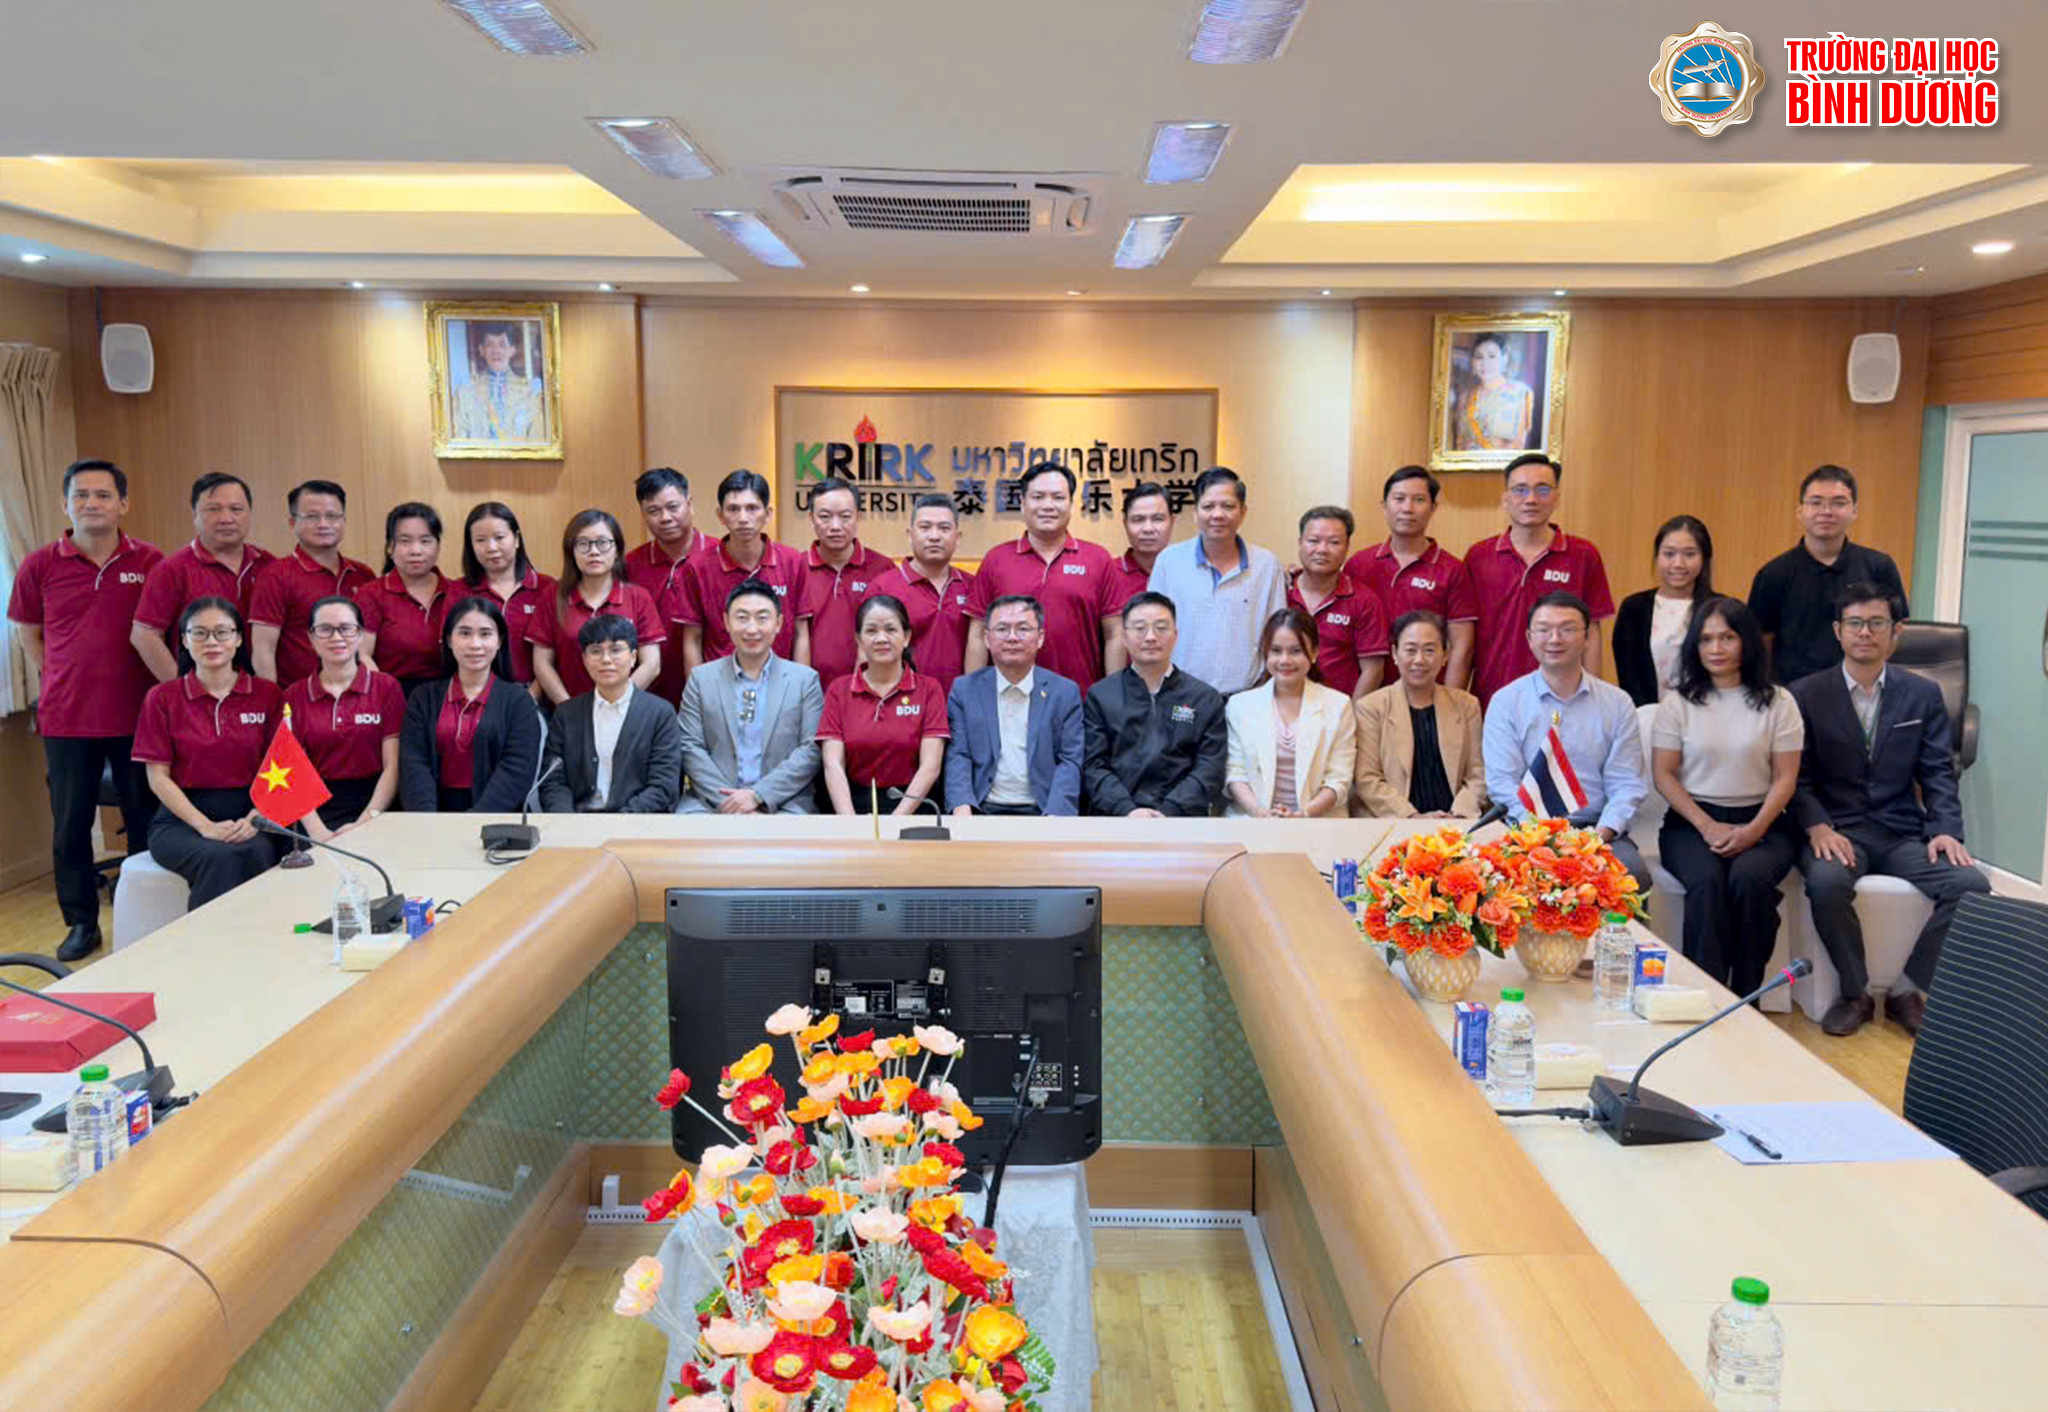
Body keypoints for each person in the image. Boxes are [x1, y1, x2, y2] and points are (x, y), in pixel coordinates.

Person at [1789, 583, 1988, 1037]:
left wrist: (1945, 829)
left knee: (1971, 886)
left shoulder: (1922, 694)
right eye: (1855, 623)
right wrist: (1817, 825)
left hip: (1900, 832)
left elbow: (1938, 771)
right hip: (1838, 831)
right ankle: (1855, 993)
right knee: (1827, 883)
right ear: (1838, 631)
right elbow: (1795, 778)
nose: (1866, 632)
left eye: (1877, 623)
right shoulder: (1805, 694)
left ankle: (1906, 991)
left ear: (1895, 632)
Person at [8, 458, 162, 961]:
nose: (91, 504)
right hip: (67, 719)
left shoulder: (151, 561)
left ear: (123, 504)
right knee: (70, 826)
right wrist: (63, 675)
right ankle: (81, 923)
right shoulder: (39, 565)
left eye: (102, 495)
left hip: (139, 717)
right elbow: (29, 634)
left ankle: (146, 915)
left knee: (145, 818)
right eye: (81, 495)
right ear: (65, 504)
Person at [1649, 597, 1804, 995]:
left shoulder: (1779, 702)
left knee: (1749, 881)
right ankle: (1706, 996)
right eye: (1706, 639)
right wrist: (1706, 826)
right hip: (1690, 824)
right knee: (1706, 883)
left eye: (1727, 638)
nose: (1716, 648)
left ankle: (1747, 997)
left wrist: (1753, 830)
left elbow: (1786, 777)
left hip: (1765, 823)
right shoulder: (1678, 702)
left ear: (1746, 641)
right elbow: (1664, 774)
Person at [1482, 592, 1651, 892]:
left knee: (1633, 876)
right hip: (1527, 831)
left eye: (1567, 629)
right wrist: (1543, 838)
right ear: (1529, 638)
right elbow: (1502, 782)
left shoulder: (1617, 703)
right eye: (1544, 629)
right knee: (1498, 880)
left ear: (1587, 637)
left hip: (1596, 830)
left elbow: (1626, 784)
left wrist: (1597, 838)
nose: (1555, 638)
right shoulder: (1506, 701)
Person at [130, 597, 287, 909]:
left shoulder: (267, 695)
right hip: (182, 819)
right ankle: (207, 940)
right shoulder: (162, 698)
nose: (211, 641)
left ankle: (259, 935)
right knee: (219, 857)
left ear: (238, 639)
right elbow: (158, 778)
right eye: (199, 633)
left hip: (252, 810)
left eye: (222, 632)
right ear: (185, 640)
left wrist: (256, 817)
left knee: (257, 851)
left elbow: (283, 766)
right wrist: (205, 826)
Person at [1463, 454, 1614, 708]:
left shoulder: (1583, 555)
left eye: (1542, 490)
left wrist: (1592, 701)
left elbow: (1593, 634)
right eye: (1520, 490)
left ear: (1557, 498)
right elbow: (1465, 637)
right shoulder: (1478, 557)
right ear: (1505, 498)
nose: (1531, 499)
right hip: (1491, 697)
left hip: (1564, 699)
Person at [964, 463, 1123, 690]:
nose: (1048, 505)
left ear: (1071, 504)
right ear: (1022, 503)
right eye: (1038, 497)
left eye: (1058, 497)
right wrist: (973, 696)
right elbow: (978, 635)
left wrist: (1112, 696)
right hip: (1008, 698)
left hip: (1081, 697)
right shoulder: (996, 559)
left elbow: (1115, 634)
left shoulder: (1098, 559)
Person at [676, 579, 825, 815]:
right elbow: (689, 745)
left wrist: (759, 796)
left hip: (783, 803)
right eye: (742, 618)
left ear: (778, 623)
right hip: (711, 803)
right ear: (726, 622)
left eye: (762, 618)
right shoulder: (701, 679)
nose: (752, 628)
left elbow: (810, 750)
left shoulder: (804, 681)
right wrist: (732, 803)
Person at [1749, 465, 1907, 685]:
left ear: (1854, 511)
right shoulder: (1773, 574)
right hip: (1794, 693)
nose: (1826, 511)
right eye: (1816, 502)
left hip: (1861, 689)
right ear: (1800, 511)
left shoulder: (1879, 566)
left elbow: (1894, 631)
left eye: (1838, 503)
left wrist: (1866, 674)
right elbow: (1762, 641)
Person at [1082, 591, 1227, 818]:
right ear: (1124, 637)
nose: (1150, 637)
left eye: (1161, 628)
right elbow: (1093, 765)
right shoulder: (1100, 696)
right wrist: (1126, 810)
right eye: (1140, 628)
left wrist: (1170, 811)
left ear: (1176, 635)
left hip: (1183, 820)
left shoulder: (1205, 698)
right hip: (1116, 818)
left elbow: (1210, 767)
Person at [1145, 467, 1286, 696]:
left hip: (1246, 696)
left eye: (1228, 506)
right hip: (1181, 694)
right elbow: (1152, 628)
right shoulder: (1169, 561)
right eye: (1208, 506)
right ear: (1195, 512)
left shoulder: (1267, 565)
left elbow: (1277, 634)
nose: (1217, 515)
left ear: (1243, 512)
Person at [398, 597, 544, 813]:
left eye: (485, 634)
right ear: (449, 640)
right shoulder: (423, 698)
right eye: (464, 633)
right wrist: (427, 821)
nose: (475, 644)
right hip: (431, 818)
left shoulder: (519, 701)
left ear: (499, 641)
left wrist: (476, 819)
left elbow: (517, 769)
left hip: (496, 819)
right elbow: (413, 765)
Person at [943, 595, 1083, 817]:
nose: (1012, 637)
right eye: (1002, 629)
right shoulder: (965, 690)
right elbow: (958, 755)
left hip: (1044, 810)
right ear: (987, 638)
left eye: (1023, 629)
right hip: (981, 809)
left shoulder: (1064, 692)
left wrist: (1056, 815)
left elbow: (1070, 761)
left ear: (1040, 638)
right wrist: (962, 806)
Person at [132, 472, 275, 683]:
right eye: (213, 509)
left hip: (257, 692)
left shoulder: (268, 564)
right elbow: (144, 635)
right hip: (200, 692)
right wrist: (180, 689)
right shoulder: (172, 569)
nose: (226, 518)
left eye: (236, 509)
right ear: (194, 515)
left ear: (249, 514)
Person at [281, 595, 403, 839]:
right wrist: (317, 832)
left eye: (346, 628)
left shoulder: (386, 688)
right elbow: (291, 770)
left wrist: (365, 822)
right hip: (313, 809)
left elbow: (393, 766)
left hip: (376, 805)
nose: (336, 637)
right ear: (311, 638)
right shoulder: (293, 695)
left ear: (360, 635)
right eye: (325, 629)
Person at [1346, 466, 1478, 690]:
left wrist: (1451, 702)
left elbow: (1461, 646)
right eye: (1399, 499)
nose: (1407, 508)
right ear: (1384, 506)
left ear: (1433, 508)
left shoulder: (1453, 570)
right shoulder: (1358, 564)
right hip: (1367, 693)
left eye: (1418, 500)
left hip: (1427, 694)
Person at [817, 595, 949, 816]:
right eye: (871, 631)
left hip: (913, 804)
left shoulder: (929, 689)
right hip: (851, 804)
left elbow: (930, 766)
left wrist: (895, 821)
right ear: (858, 640)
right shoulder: (838, 690)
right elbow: (833, 764)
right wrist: (849, 822)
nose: (881, 638)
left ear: (906, 637)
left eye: (890, 629)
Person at [535, 615, 682, 814]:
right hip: (576, 825)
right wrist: (568, 821)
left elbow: (663, 786)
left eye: (616, 650)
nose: (606, 659)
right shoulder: (566, 714)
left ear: (633, 657)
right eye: (596, 651)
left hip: (638, 825)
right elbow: (552, 782)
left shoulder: (660, 714)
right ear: (584, 660)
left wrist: (620, 823)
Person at [1353, 611, 1488, 819]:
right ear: (1395, 654)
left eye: (1429, 650)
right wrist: (1413, 818)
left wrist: (1458, 816)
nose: (1419, 660)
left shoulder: (1466, 705)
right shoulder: (1371, 708)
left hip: (1455, 824)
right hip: (1394, 823)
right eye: (1410, 650)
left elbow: (1478, 774)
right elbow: (1367, 779)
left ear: (1445, 655)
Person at [1223, 608, 1355, 818]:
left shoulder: (1339, 705)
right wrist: (1260, 813)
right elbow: (1235, 773)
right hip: (1251, 819)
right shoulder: (1240, 705)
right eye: (1276, 650)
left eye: (1296, 651)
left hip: (1318, 821)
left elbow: (1339, 779)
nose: (1285, 660)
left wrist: (1303, 814)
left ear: (1314, 653)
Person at [527, 509, 665, 706]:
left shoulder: (638, 597)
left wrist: (615, 703)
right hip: (568, 709)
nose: (594, 551)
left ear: (617, 550)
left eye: (602, 543)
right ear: (571, 551)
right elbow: (542, 664)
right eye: (583, 544)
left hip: (626, 710)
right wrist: (568, 708)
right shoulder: (553, 596)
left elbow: (652, 664)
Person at [678, 470, 813, 670]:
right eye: (733, 509)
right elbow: (692, 639)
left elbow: (801, 633)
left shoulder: (792, 561)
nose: (743, 518)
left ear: (768, 514)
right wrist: (697, 688)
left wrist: (801, 685)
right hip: (720, 682)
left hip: (779, 681)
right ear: (720, 515)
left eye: (752, 508)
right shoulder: (697, 567)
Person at [249, 480, 373, 685]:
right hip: (298, 698)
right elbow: (264, 651)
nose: (323, 524)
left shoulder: (363, 574)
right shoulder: (275, 576)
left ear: (344, 520)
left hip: (358, 695)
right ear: (292, 522)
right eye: (312, 516)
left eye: (332, 516)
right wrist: (272, 701)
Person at [860, 492, 972, 703]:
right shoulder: (883, 586)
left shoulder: (972, 586)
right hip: (903, 706)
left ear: (958, 537)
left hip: (961, 704)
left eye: (944, 528)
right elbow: (865, 654)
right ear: (910, 535)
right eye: (925, 527)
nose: (934, 536)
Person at [627, 467, 712, 707]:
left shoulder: (719, 556)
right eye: (653, 511)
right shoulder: (630, 565)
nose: (665, 517)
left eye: (673, 507)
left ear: (690, 505)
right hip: (648, 696)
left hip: (711, 694)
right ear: (643, 514)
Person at [1286, 505, 1388, 700]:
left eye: (1334, 542)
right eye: (1313, 541)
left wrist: (1350, 715)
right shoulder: (1280, 590)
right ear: (1300, 543)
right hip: (1280, 707)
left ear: (1347, 546)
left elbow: (1373, 671)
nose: (1322, 550)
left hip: (1339, 710)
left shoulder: (1364, 601)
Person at [356, 502, 455, 697]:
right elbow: (362, 654)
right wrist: (384, 694)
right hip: (393, 694)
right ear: (389, 547)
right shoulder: (371, 594)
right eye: (405, 541)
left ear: (438, 546)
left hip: (451, 695)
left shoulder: (457, 592)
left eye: (425, 541)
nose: (415, 550)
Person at [1614, 515, 1714, 707]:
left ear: (1704, 557)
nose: (1678, 564)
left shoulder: (1719, 608)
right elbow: (1628, 675)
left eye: (1689, 554)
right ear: (1657, 556)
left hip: (1706, 717)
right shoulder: (1634, 608)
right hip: (1647, 716)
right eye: (1669, 554)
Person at [800, 476, 887, 688]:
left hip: (868, 690)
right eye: (825, 517)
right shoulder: (795, 568)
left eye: (845, 516)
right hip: (809, 692)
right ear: (811, 518)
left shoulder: (883, 569)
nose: (835, 526)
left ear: (859, 517)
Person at [461, 502, 554, 693]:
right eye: (480, 540)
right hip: (477, 693)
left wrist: (529, 699)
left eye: (499, 537)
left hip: (536, 693)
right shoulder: (459, 591)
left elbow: (556, 652)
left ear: (516, 539)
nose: (491, 547)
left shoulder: (547, 588)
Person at [452, 321, 545, 441]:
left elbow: (537, 438)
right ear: (482, 350)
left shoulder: (530, 391)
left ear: (512, 350)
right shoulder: (465, 391)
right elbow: (459, 437)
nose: (496, 350)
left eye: (502, 344)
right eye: (490, 344)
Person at [1453, 333, 1535, 450]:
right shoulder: (1465, 398)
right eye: (1479, 357)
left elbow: (1519, 443)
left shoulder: (1520, 393)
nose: (1485, 363)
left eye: (1492, 356)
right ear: (1473, 362)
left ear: (1505, 358)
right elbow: (1460, 443)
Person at [1109, 481, 1173, 612]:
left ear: (1172, 522)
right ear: (1125, 524)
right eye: (1138, 519)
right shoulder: (1108, 574)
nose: (1148, 529)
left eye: (1157, 519)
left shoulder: (1189, 572)